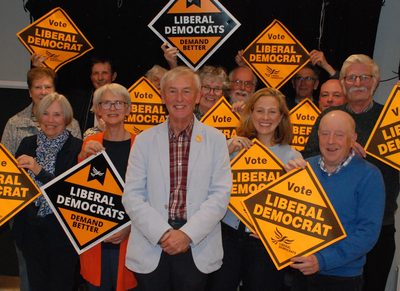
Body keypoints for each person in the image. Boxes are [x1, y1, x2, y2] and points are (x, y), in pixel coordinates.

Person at [122, 66, 232, 291]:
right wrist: (163, 233)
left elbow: (220, 196)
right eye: (172, 91)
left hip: (196, 247)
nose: (179, 98)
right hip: (152, 244)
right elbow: (132, 196)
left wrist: (187, 234)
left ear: (198, 95)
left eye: (186, 91)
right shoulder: (143, 140)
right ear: (162, 96)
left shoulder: (216, 140)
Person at [302, 54, 400, 291]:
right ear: (343, 83)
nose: (358, 83)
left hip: (377, 225)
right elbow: (309, 157)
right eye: (351, 78)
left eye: (365, 77)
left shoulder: (392, 119)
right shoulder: (328, 117)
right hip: (326, 228)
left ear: (376, 82)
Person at [207, 87, 302, 291]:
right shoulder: (232, 147)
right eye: (259, 111)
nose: (265, 117)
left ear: (281, 116)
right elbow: (200, 180)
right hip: (226, 236)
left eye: (272, 111)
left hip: (265, 243)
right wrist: (226, 150)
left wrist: (296, 179)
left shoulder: (293, 157)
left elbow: (297, 212)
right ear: (250, 113)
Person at [0, 67, 81, 291]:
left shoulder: (77, 148)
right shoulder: (27, 144)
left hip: (63, 234)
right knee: (35, 284)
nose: (51, 120)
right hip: (30, 232)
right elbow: (12, 184)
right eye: (45, 113)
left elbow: (69, 192)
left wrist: (38, 170)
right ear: (38, 117)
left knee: (60, 285)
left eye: (57, 114)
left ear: (66, 117)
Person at [285, 110, 385, 291]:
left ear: (353, 139)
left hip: (342, 278)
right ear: (318, 136)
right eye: (325, 134)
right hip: (301, 274)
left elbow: (367, 234)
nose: (331, 141)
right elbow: (288, 216)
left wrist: (323, 260)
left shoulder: (370, 176)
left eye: (339, 135)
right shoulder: (303, 168)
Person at [78, 83, 137, 291]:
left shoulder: (141, 145)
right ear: (98, 110)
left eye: (119, 103)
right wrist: (83, 158)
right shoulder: (90, 144)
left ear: (128, 109)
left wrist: (129, 226)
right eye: (106, 103)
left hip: (131, 240)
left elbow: (150, 195)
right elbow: (78, 192)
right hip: (96, 240)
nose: (113, 108)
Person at [1, 67, 81, 157]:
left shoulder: (72, 124)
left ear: (55, 91)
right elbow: (4, 162)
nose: (43, 92)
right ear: (30, 92)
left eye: (48, 87)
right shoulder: (14, 124)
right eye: (38, 87)